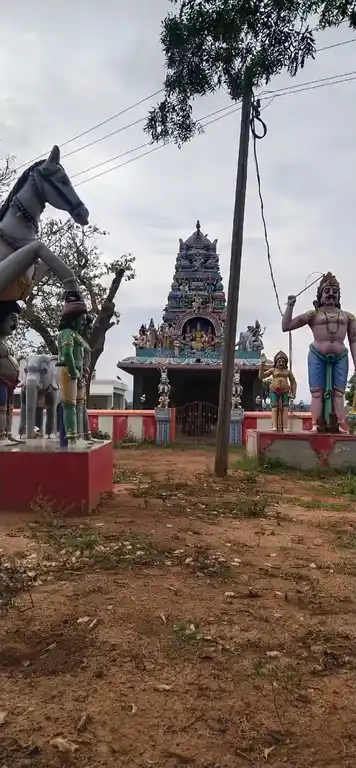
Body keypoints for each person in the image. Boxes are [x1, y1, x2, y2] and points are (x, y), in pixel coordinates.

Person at [282, 272, 356, 432]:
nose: (331, 294)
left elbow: (353, 341)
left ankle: (339, 424)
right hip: (317, 354)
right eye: (327, 291)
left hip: (341, 356)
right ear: (320, 295)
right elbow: (286, 326)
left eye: (334, 291)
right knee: (317, 393)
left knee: (339, 393)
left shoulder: (348, 317)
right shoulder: (313, 314)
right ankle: (316, 424)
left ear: (339, 296)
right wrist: (290, 306)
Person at [57, 292, 87, 444]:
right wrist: (74, 372)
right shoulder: (67, 333)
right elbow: (67, 354)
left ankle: (80, 436)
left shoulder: (76, 335)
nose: (84, 322)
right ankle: (72, 438)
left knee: (80, 405)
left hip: (78, 371)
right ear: (73, 319)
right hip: (68, 371)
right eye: (81, 319)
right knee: (70, 406)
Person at [259, 351, 296, 432]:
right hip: (274, 390)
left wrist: (293, 393)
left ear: (285, 363)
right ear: (276, 362)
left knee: (285, 408)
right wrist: (262, 364)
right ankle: (274, 426)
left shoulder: (288, 372)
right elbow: (261, 376)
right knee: (274, 407)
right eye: (279, 361)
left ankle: (285, 427)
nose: (281, 363)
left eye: (283, 361)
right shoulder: (272, 370)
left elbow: (293, 382)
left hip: (285, 391)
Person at [0, 301, 21, 442]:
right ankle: (1, 435)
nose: (16, 324)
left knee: (8, 409)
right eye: (12, 319)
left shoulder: (5, 343)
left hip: (9, 384)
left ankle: (7, 433)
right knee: (1, 409)